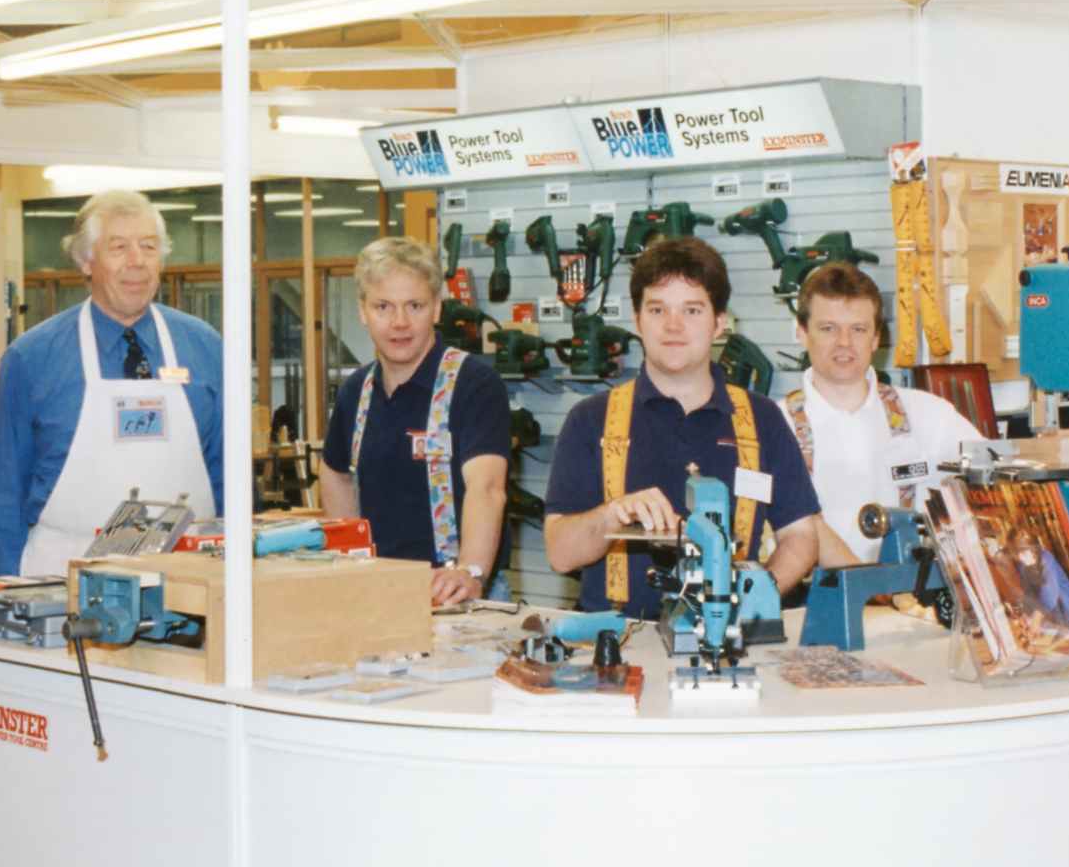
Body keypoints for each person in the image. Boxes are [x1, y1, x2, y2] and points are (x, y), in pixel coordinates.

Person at [544, 236, 822, 617]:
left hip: (726, 640)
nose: (673, 326)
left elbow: (801, 536)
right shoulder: (590, 419)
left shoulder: (763, 420)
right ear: (638, 320)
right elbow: (560, 554)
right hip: (618, 645)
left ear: (720, 323)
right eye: (658, 310)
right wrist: (611, 515)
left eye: (692, 311)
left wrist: (752, 601)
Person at [0, 189, 224, 578]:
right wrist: (3, 598)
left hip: (187, 573)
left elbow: (228, 477)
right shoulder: (31, 358)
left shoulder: (205, 348)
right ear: (84, 261)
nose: (137, 262)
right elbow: (4, 497)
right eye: (119, 247)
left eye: (149, 246)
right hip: (65, 574)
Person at [320, 237, 513, 605]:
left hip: (455, 594)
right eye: (383, 306)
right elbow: (333, 472)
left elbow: (487, 487)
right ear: (363, 311)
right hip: (379, 591)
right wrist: (350, 559)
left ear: (437, 309)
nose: (400, 322)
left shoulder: (474, 384)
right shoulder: (355, 391)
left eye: (415, 305)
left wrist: (469, 573)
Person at [779, 261, 988, 565]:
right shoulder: (775, 426)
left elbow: (992, 479)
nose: (845, 343)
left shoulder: (929, 416)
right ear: (801, 333)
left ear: (876, 337)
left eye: (859, 329)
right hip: (807, 605)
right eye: (828, 328)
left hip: (909, 601)